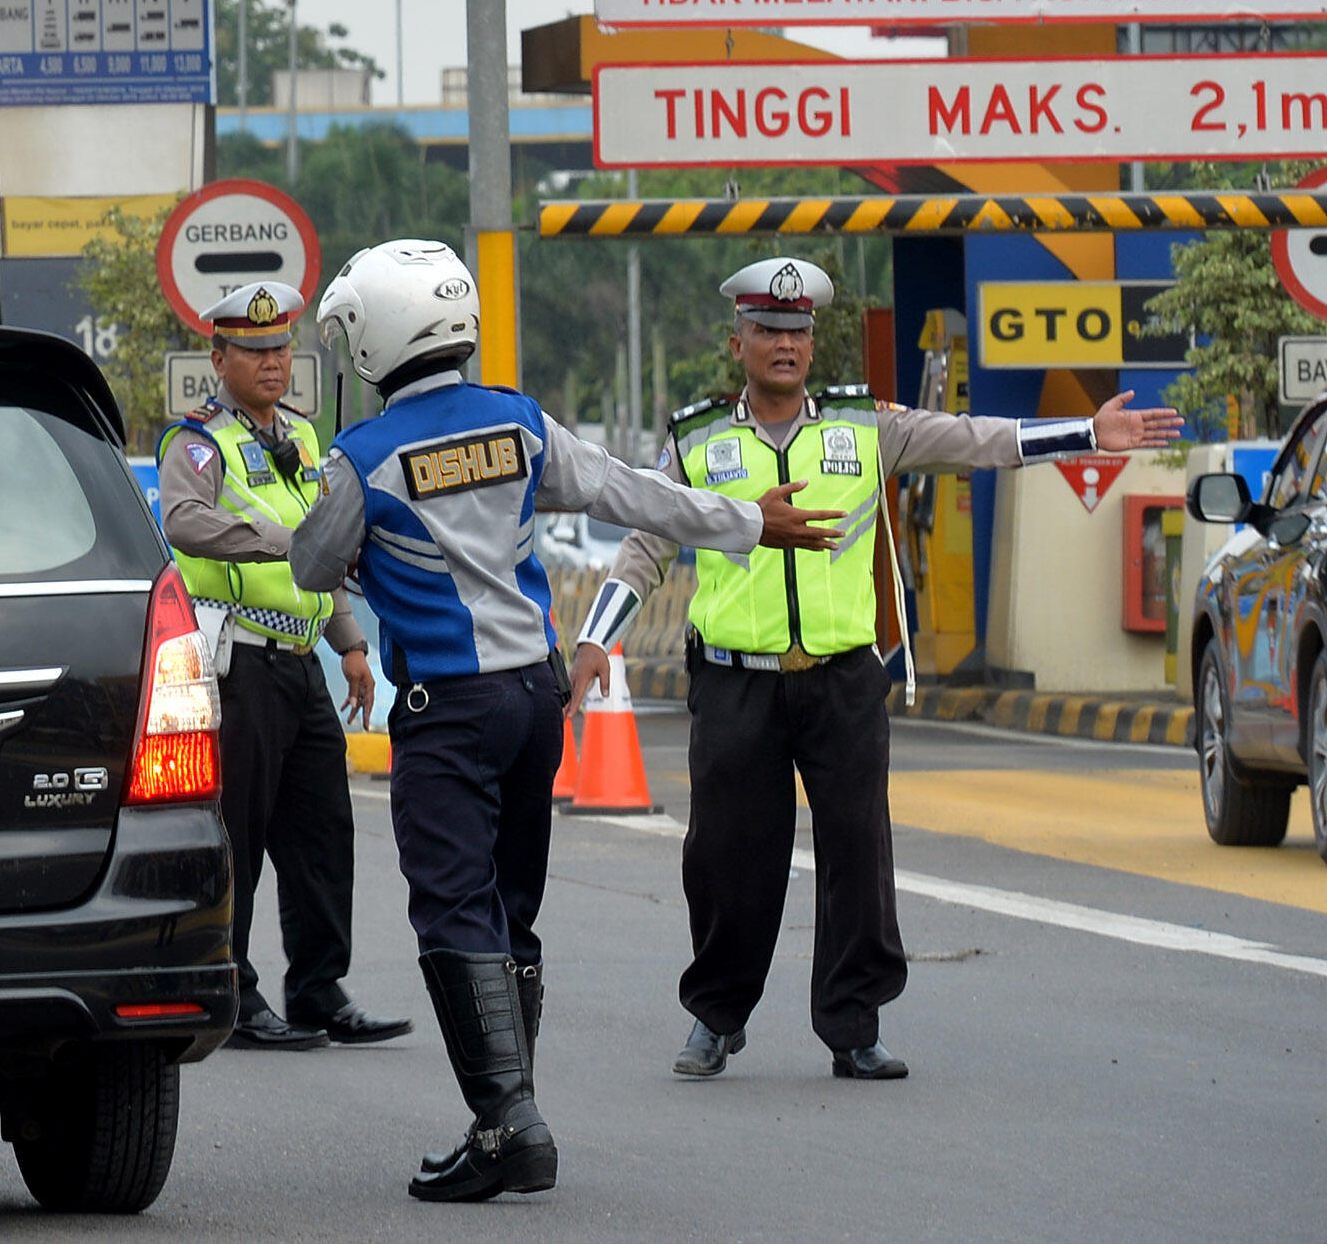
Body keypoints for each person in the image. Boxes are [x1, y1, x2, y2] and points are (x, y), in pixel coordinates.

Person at [193, 238, 833, 1202]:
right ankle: (506, 1113)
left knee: (453, 907)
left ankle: (508, 1126)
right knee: (509, 909)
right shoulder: (519, 421)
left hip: (445, 708)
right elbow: (632, 493)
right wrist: (747, 518)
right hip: (535, 700)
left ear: (375, 338)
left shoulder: (363, 455)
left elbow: (317, 569)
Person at [568, 254, 1182, 1085]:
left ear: (811, 343)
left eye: (798, 331)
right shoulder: (699, 438)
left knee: (858, 854)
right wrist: (597, 638)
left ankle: (853, 1026)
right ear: (738, 341)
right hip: (734, 681)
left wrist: (1085, 435)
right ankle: (716, 1018)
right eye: (768, 330)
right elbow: (645, 546)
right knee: (725, 858)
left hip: (842, 678)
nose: (785, 344)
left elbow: (974, 439)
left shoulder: (867, 427)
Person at [155, 279, 408, 1052]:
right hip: (239, 665)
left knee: (323, 833)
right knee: (240, 830)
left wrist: (350, 643)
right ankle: (233, 990)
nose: (272, 363)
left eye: (280, 350)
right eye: (254, 350)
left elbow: (323, 546)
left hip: (301, 663)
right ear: (218, 356)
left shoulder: (301, 437)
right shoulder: (196, 441)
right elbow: (186, 522)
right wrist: (280, 543)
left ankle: (319, 989)